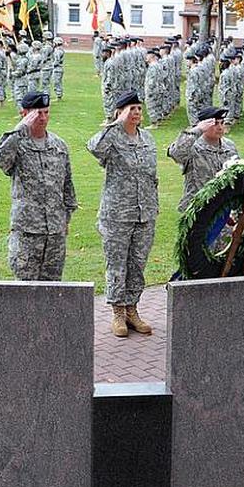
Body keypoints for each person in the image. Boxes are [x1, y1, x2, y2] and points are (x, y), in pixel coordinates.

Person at [87, 91, 159, 337]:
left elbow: (152, 176)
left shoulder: (147, 139)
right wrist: (115, 123)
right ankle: (117, 312)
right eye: (131, 108)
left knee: (137, 264)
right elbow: (94, 147)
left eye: (139, 108)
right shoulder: (111, 137)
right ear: (120, 112)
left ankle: (132, 309)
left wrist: (153, 206)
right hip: (117, 214)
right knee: (117, 265)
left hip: (145, 213)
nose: (137, 112)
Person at [0, 92, 77, 281]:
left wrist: (65, 220)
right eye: (38, 113)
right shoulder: (16, 144)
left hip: (54, 233)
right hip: (27, 233)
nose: (43, 118)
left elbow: (67, 186)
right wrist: (20, 129)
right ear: (25, 114)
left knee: (53, 292)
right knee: (25, 293)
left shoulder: (58, 145)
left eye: (46, 112)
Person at [167, 106, 239, 212]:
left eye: (222, 123)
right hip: (197, 208)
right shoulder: (192, 146)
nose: (220, 127)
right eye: (215, 124)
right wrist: (197, 130)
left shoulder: (229, 146)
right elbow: (175, 153)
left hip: (223, 207)